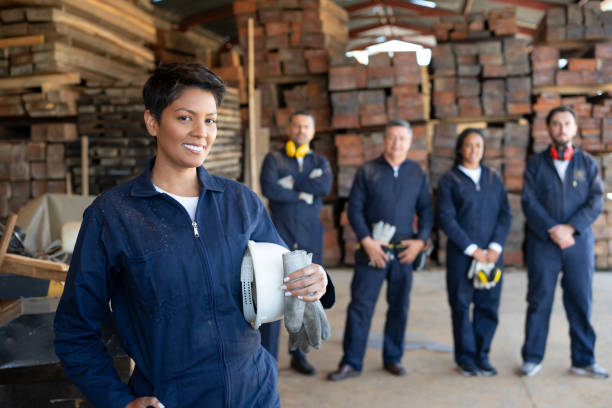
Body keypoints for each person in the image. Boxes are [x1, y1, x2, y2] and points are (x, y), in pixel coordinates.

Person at [53, 62, 333, 408]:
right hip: (174, 399)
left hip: (257, 393)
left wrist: (317, 281)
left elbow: (285, 272)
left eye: (210, 119)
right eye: (185, 117)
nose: (201, 132)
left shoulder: (242, 203)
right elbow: (75, 330)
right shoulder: (113, 216)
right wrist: (117, 401)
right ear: (152, 122)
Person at [328, 119, 433, 381]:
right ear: (384, 141)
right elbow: (354, 209)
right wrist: (366, 241)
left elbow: (427, 210)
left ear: (409, 143)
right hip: (372, 249)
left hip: (404, 252)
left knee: (399, 306)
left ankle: (393, 358)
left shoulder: (416, 173)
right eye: (392, 137)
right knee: (360, 306)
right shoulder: (368, 171)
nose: (397, 143)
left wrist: (420, 242)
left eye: (402, 138)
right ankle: (351, 362)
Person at [520, 106, 608, 378]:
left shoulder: (587, 163)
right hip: (543, 243)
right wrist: (551, 229)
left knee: (580, 299)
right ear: (548, 129)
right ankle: (532, 358)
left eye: (567, 123)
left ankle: (583, 360)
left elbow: (596, 201)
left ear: (575, 128)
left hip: (577, 243)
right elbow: (528, 201)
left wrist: (570, 228)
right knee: (539, 300)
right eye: (556, 124)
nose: (561, 128)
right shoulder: (536, 164)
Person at [259, 110, 334, 375]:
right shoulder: (274, 159)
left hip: (310, 233)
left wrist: (291, 185)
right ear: (289, 129)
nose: (301, 130)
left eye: (306, 126)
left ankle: (299, 355)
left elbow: (324, 186)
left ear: (313, 132)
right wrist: (305, 192)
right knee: (273, 294)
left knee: (304, 295)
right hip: (278, 234)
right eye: (297, 125)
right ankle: (268, 359)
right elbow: (270, 190)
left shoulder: (320, 161)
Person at [437, 128, 512, 376]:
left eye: (478, 145)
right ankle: (465, 358)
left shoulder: (493, 178)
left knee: (488, 306)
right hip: (462, 256)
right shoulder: (450, 180)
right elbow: (447, 218)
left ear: (483, 149)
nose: (474, 150)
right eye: (468, 145)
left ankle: (482, 355)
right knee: (461, 305)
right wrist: (472, 249)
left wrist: (494, 247)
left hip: (491, 257)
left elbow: (505, 214)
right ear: (460, 148)